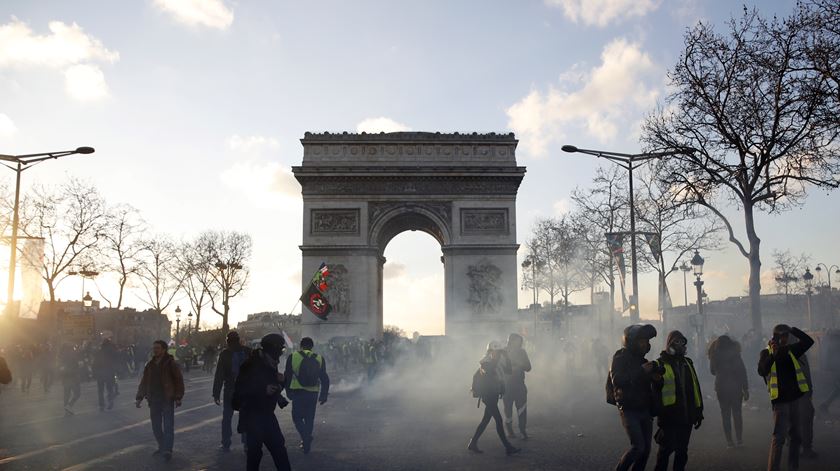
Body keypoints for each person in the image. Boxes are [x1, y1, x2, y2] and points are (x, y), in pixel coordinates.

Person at [757, 324, 814, 471]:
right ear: (775, 337)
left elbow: (808, 341)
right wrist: (774, 355)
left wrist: (793, 329)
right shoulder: (766, 352)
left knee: (795, 437)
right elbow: (762, 370)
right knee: (779, 438)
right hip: (780, 402)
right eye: (781, 336)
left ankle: (793, 467)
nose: (784, 339)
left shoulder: (791, 350)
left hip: (795, 399)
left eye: (785, 335)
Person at [233, 333, 292, 471]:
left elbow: (272, 387)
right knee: (254, 454)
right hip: (252, 415)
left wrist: (281, 383)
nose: (277, 360)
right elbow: (239, 393)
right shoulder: (248, 365)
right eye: (278, 353)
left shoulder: (270, 363)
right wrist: (263, 389)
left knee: (279, 451)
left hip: (267, 415)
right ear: (270, 350)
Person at [610, 324, 658, 471]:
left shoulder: (643, 361)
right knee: (638, 447)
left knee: (646, 451)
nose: (645, 344)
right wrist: (641, 371)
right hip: (629, 409)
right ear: (630, 341)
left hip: (645, 409)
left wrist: (657, 379)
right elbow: (617, 380)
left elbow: (651, 384)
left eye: (646, 341)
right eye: (641, 341)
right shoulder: (620, 357)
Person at [652, 331, 703, 471]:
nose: (680, 345)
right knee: (665, 452)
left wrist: (699, 411)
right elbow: (654, 391)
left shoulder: (688, 363)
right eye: (676, 342)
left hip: (687, 417)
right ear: (669, 344)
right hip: (669, 417)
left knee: (682, 452)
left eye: (682, 342)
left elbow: (695, 388)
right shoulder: (659, 363)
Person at [136, 340, 185, 462]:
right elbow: (144, 382)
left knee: (168, 426)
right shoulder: (150, 364)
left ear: (164, 349)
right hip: (154, 399)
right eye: (154, 348)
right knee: (156, 426)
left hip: (167, 398)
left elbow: (179, 380)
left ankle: (167, 449)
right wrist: (139, 397)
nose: (155, 350)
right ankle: (162, 446)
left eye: (157, 348)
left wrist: (178, 397)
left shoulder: (171, 363)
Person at [468, 341, 520, 456]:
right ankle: (508, 447)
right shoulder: (485, 363)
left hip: (494, 394)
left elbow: (509, 371)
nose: (498, 354)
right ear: (490, 352)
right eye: (497, 352)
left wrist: (506, 357)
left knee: (485, 420)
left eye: (499, 352)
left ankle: (473, 443)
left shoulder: (496, 361)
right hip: (488, 395)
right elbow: (490, 371)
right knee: (498, 420)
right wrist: (497, 357)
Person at [284, 336, 330, 454]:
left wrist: (288, 391)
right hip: (313, 392)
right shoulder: (319, 358)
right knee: (309, 418)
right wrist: (324, 395)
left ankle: (305, 437)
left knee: (297, 418)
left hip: (298, 392)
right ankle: (306, 441)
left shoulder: (293, 357)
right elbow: (324, 378)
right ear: (312, 346)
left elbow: (287, 376)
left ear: (301, 345)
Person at [213, 331, 252, 452]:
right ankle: (246, 442)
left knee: (227, 417)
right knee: (246, 416)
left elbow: (219, 374)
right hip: (246, 389)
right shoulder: (248, 351)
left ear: (228, 341)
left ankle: (226, 443)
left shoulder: (225, 354)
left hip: (230, 389)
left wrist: (216, 393)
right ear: (239, 339)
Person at [708, 335, 749, 448]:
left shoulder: (714, 354)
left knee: (725, 414)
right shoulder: (736, 354)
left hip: (721, 387)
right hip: (736, 387)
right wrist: (745, 389)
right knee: (737, 413)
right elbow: (742, 372)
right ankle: (739, 440)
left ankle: (729, 442)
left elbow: (712, 371)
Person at [503, 333, 532, 439]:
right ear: (510, 341)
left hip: (519, 385)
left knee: (522, 408)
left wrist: (519, 364)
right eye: (516, 341)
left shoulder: (522, 352)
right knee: (508, 409)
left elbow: (528, 367)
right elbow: (498, 369)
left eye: (519, 341)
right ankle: (509, 430)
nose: (518, 343)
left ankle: (522, 429)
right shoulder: (503, 352)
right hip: (506, 386)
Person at [797, 352, 817, 459]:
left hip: (785, 395)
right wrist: (810, 391)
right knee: (806, 418)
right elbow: (806, 375)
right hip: (801, 393)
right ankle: (806, 449)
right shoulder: (800, 355)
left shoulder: (777, 353)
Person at [94, 339, 118, 411]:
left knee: (100, 390)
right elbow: (115, 361)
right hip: (109, 372)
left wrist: (94, 372)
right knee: (109, 388)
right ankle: (110, 402)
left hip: (100, 373)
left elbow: (95, 363)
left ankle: (101, 405)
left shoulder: (99, 352)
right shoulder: (112, 351)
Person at [59, 344, 83, 416]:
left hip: (65, 377)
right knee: (77, 393)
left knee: (66, 394)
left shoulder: (61, 356)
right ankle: (69, 405)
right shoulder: (73, 355)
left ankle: (66, 411)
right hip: (73, 376)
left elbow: (59, 367)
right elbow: (78, 364)